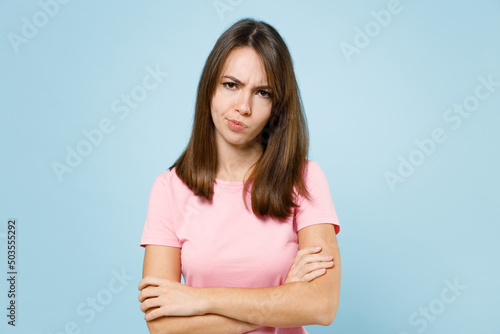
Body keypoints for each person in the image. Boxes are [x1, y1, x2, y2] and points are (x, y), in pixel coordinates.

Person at [137, 18, 341, 334]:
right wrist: (284, 298)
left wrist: (198, 300)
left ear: (277, 106)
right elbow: (162, 326)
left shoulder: (304, 179)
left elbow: (322, 306)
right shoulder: (169, 189)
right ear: (210, 88)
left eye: (262, 92)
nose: (243, 107)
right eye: (231, 85)